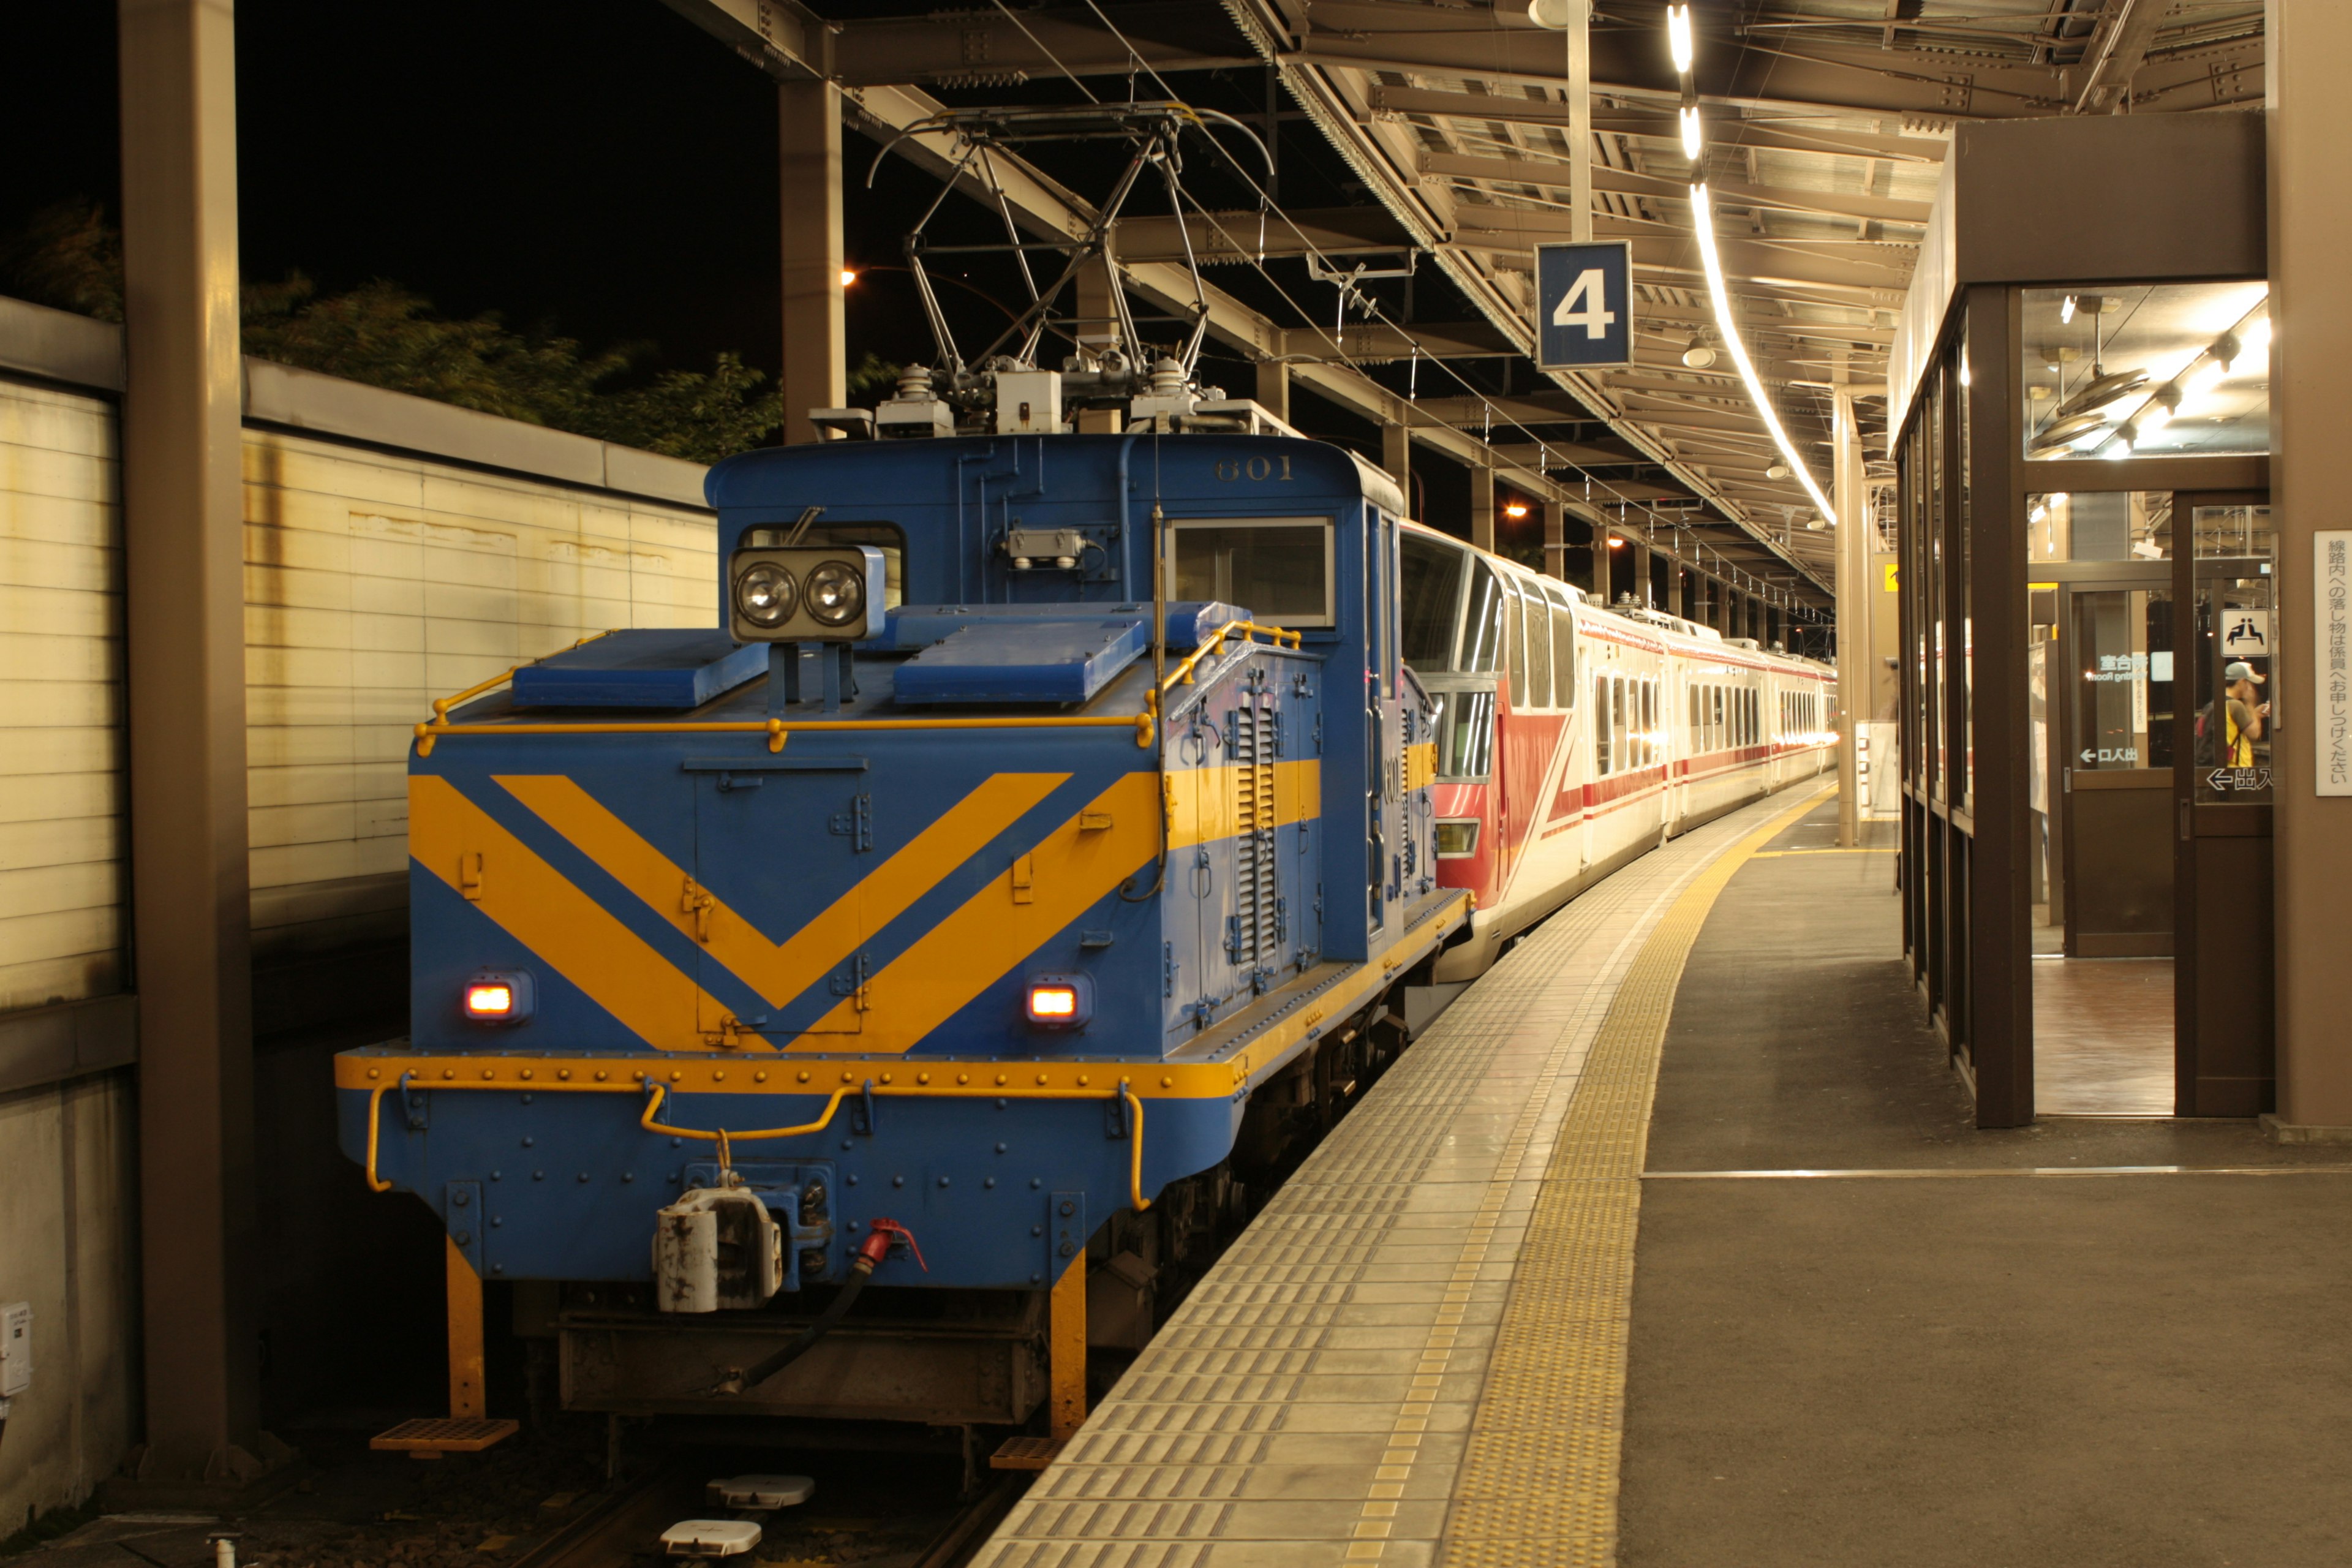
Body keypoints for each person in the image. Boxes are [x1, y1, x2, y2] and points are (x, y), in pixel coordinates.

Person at [2196, 659, 2266, 767]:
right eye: (2250, 683)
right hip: (2236, 768)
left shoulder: (2215, 704)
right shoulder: (2236, 705)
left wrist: (2256, 715)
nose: (2252, 688)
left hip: (2221, 768)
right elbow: (2254, 734)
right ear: (2242, 682)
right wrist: (2250, 703)